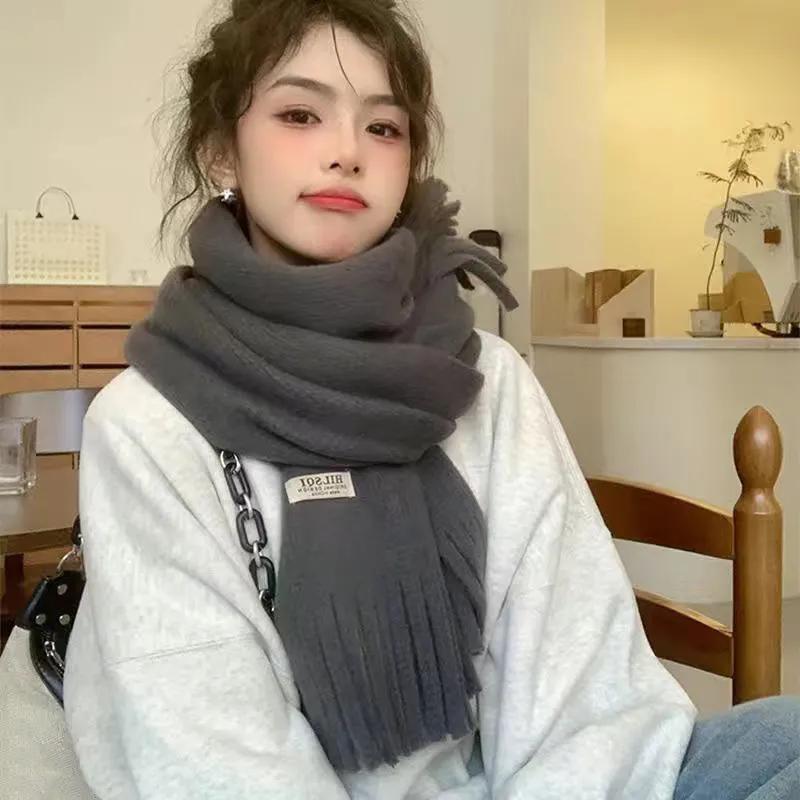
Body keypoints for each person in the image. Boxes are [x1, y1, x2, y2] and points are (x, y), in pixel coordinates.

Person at [6, 0, 792, 798]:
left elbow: (580, 692)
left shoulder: (485, 379)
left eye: (384, 127)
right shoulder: (148, 423)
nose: (347, 152)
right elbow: (219, 765)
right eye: (300, 114)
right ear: (220, 151)